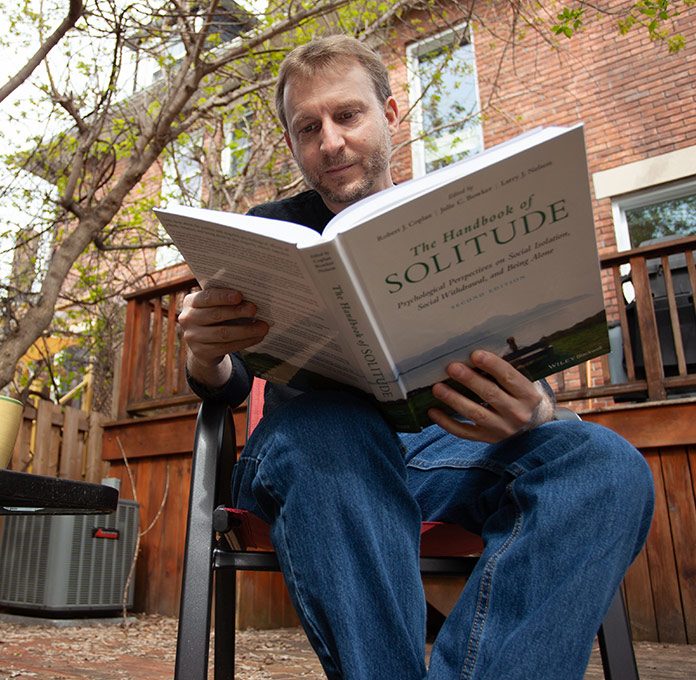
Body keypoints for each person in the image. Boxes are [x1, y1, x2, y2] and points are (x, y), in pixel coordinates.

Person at [177, 34, 654, 680]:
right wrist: (203, 354)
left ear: (391, 113)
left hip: (442, 452)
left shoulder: (461, 214)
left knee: (606, 466)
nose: (330, 141)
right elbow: (231, 385)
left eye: (347, 115)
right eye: (307, 127)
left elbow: (525, 377)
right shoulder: (272, 230)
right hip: (312, 454)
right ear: (292, 143)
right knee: (333, 426)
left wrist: (537, 411)